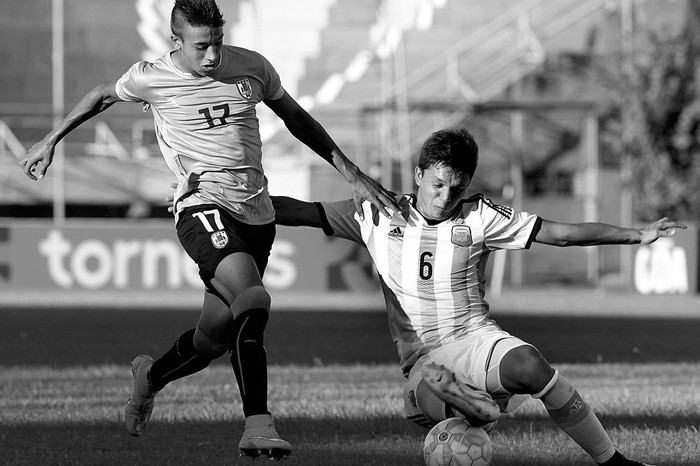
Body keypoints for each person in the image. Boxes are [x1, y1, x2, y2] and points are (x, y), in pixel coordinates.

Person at [18, 0, 397, 460]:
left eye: (217, 41)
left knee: (211, 339)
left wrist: (352, 173)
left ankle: (149, 378)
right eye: (201, 46)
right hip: (199, 207)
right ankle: (258, 424)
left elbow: (297, 119)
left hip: (254, 212)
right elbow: (101, 94)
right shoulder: (151, 76)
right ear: (176, 41)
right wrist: (49, 140)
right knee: (254, 298)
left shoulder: (252, 67)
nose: (213, 55)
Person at [271, 127, 685, 465]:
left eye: (456, 188)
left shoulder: (480, 216)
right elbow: (301, 212)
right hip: (425, 358)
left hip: (475, 339)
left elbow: (560, 235)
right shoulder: (377, 212)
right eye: (437, 185)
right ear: (418, 175)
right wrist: (231, 202)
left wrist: (638, 234)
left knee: (532, 364)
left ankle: (612, 462)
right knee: (437, 384)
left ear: (467, 185)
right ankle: (462, 404)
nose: (444, 197)